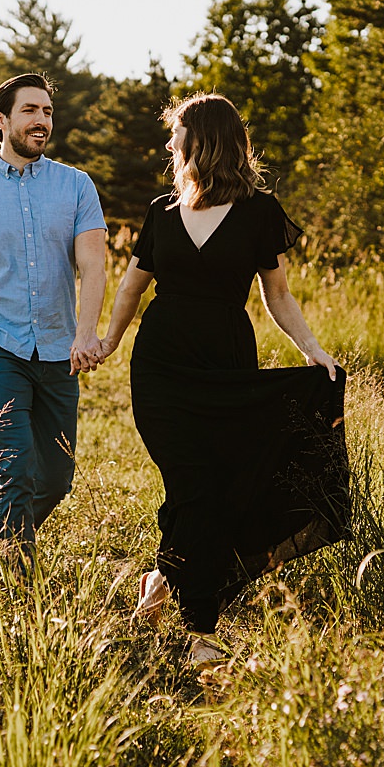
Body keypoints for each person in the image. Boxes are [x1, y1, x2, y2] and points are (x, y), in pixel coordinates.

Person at [95, 93, 351, 668]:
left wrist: (313, 351)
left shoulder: (260, 212)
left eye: (176, 134)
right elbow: (132, 289)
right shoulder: (161, 212)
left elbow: (277, 295)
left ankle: (162, 581)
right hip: (161, 367)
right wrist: (107, 344)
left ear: (203, 140)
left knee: (214, 485)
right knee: (194, 483)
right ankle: (201, 633)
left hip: (227, 365)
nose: (168, 145)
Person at [0, 71, 110, 580]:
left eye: (47, 112)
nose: (41, 121)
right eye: (30, 111)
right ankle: (17, 594)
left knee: (55, 479)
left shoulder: (76, 186)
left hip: (60, 348)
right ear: (0, 119)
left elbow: (94, 267)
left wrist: (85, 333)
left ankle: (0, 545)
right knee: (14, 470)